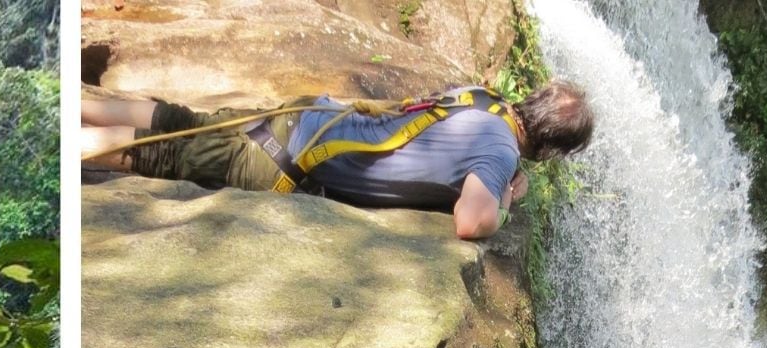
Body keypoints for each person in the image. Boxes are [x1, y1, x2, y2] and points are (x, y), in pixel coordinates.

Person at [80, 81, 594, 240]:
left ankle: (76, 107)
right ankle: (74, 141)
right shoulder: (500, 150)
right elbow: (471, 222)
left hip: (309, 116)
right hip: (286, 159)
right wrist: (504, 200)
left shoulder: (483, 97)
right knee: (168, 154)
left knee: (181, 118)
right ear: (550, 150)